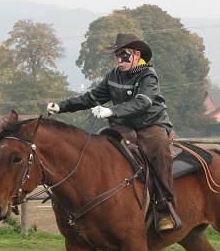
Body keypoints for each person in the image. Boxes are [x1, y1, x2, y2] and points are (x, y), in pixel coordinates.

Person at [46, 33, 181, 232]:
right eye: (117, 55)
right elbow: (91, 97)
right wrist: (61, 106)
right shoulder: (113, 75)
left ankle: (165, 207)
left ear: (136, 54)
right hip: (123, 127)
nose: (119, 59)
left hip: (151, 125)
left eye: (124, 55)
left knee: (157, 149)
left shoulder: (148, 76)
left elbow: (143, 102)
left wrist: (112, 111)